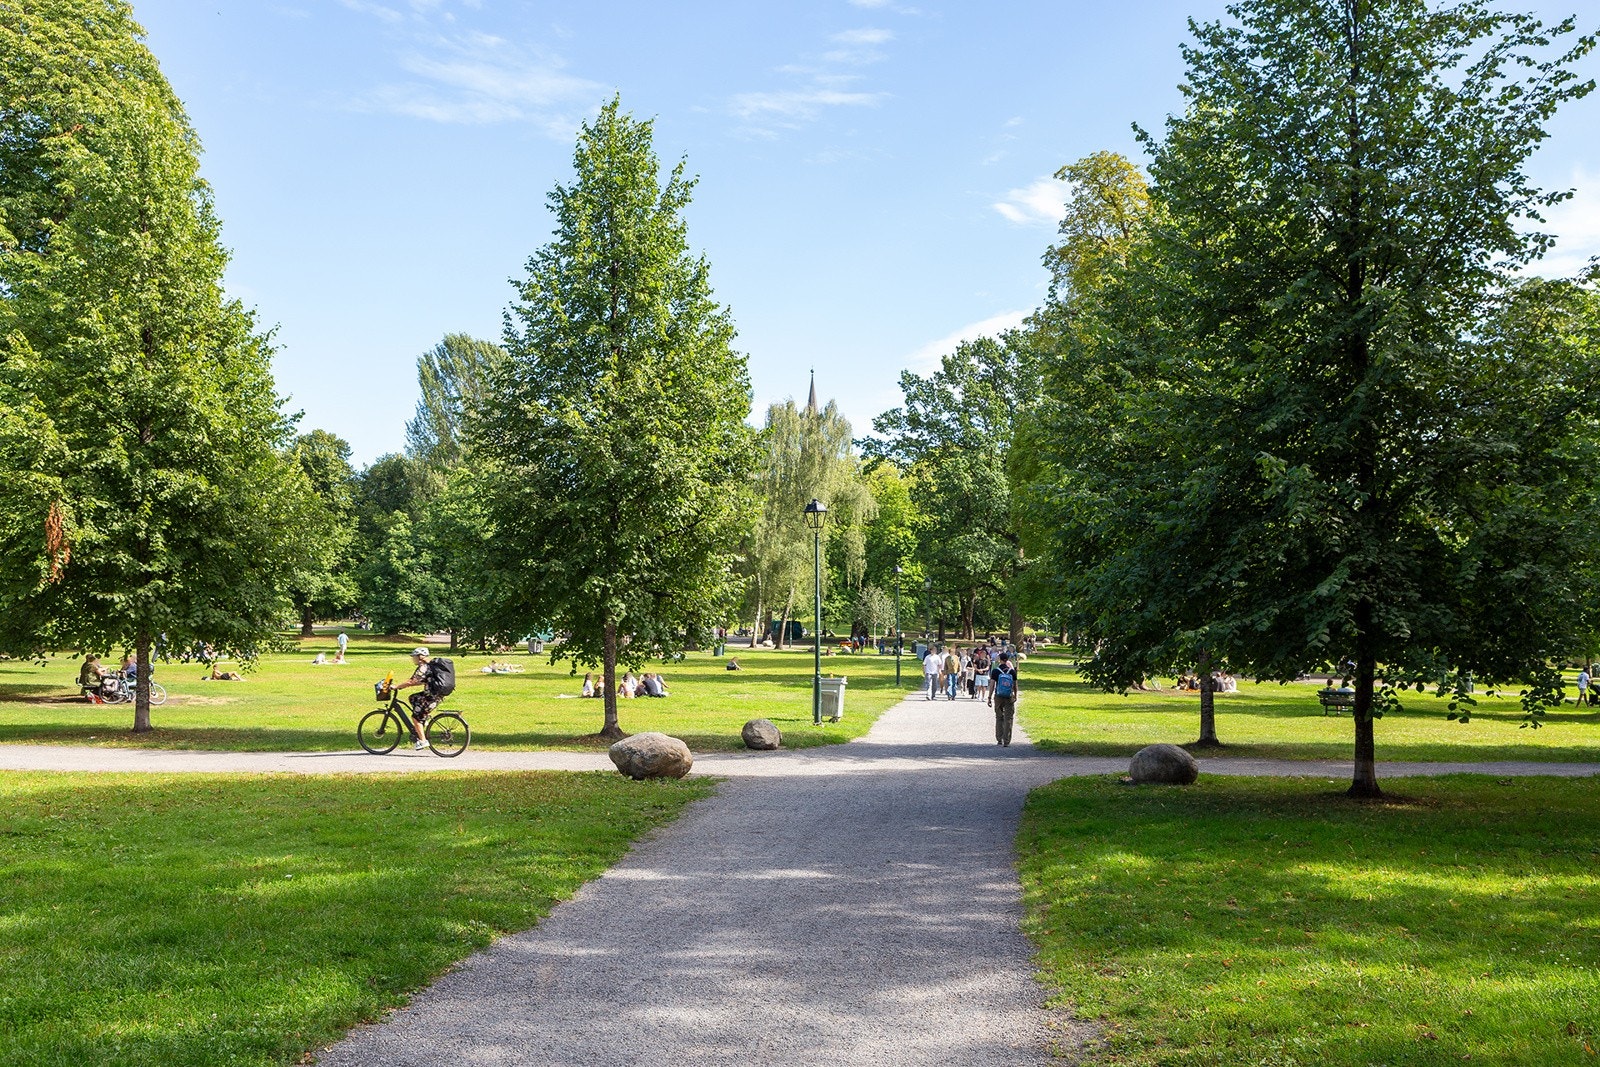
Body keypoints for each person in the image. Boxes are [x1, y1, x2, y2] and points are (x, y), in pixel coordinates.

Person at [393, 647, 442, 751]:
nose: (413, 659)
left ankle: (423, 740)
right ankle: (424, 718)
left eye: (414, 657)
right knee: (413, 698)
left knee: (416, 718)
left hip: (430, 697)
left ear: (420, 657)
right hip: (434, 696)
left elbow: (412, 681)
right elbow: (419, 681)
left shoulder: (423, 667)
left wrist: (397, 686)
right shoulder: (428, 666)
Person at [988, 651, 1020, 747]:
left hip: (998, 696)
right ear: (1007, 660)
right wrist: (1015, 694)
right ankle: (1006, 740)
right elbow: (1015, 685)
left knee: (999, 717)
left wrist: (989, 697)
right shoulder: (1012, 671)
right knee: (1008, 718)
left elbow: (992, 685)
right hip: (1009, 696)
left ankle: (999, 739)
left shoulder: (996, 671)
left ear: (1000, 660)